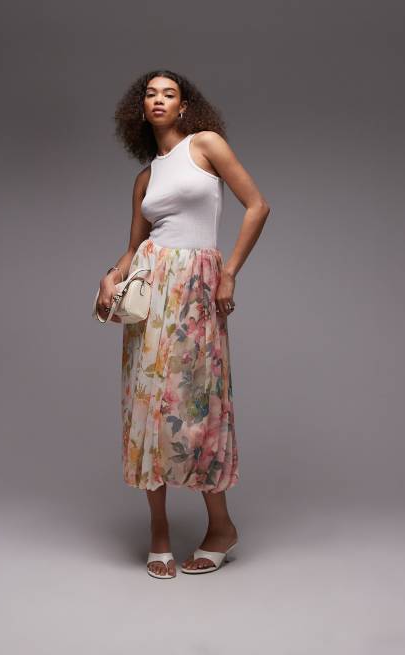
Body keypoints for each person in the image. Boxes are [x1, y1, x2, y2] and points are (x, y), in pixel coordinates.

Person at [95, 70, 270, 578]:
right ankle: (159, 531)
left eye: (168, 93)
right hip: (152, 292)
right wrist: (110, 277)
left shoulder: (206, 145)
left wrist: (229, 273)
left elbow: (258, 206)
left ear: (184, 106)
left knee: (199, 403)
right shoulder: (145, 178)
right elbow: (133, 248)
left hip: (196, 289)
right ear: (139, 109)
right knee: (148, 404)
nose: (159, 100)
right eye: (150, 94)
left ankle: (221, 526)